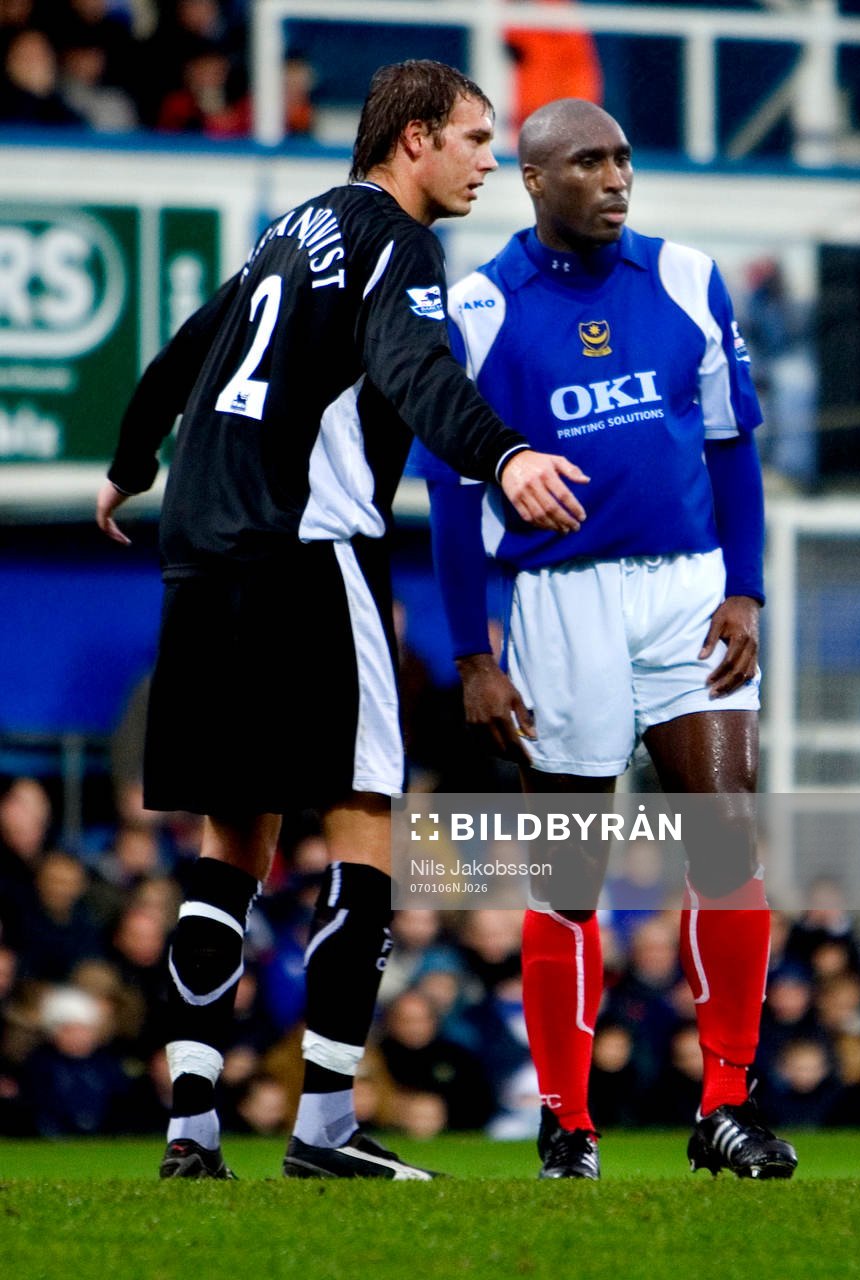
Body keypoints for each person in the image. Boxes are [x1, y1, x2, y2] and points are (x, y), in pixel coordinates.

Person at [95, 59, 587, 1182]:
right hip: (311, 556)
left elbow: (190, 343)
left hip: (201, 560)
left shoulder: (291, 229)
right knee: (367, 822)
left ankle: (192, 1125)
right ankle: (322, 1128)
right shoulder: (398, 244)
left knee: (233, 848)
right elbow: (416, 370)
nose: (484, 162)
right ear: (411, 139)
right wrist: (503, 454)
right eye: (471, 137)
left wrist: (130, 460)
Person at [416, 98, 797, 1180]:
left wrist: (747, 589)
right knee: (566, 879)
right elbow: (450, 496)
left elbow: (732, 448)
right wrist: (474, 656)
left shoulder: (686, 278)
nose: (616, 177)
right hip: (558, 602)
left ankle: (725, 1102)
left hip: (687, 591)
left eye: (624, 157)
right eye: (588, 161)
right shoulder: (481, 307)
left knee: (728, 844)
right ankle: (566, 1122)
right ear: (535, 180)